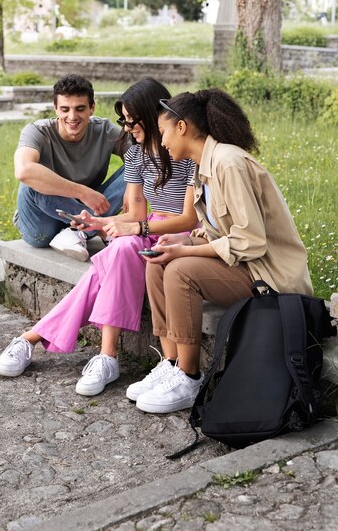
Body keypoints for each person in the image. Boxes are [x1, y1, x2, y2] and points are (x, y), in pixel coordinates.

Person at [0, 78, 199, 396]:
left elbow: (189, 218)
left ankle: (37, 339)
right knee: (121, 249)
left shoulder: (187, 153)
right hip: (143, 228)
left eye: (133, 120)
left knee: (110, 261)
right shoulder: (137, 154)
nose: (128, 128)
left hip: (177, 232)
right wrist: (99, 222)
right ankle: (106, 357)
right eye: (124, 121)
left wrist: (128, 226)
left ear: (154, 115)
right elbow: (135, 214)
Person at [128, 87, 313, 415]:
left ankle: (189, 376)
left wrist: (185, 253)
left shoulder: (228, 163)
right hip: (245, 267)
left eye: (165, 131)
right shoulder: (204, 167)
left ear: (182, 127)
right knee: (157, 262)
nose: (163, 140)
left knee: (180, 271)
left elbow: (251, 241)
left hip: (270, 277)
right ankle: (171, 363)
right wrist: (184, 242)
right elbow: (219, 230)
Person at [14, 73, 126, 261]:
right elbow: (23, 170)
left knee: (139, 164)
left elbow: (146, 159)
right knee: (32, 180)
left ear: (92, 108)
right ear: (55, 109)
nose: (72, 117)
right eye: (65, 109)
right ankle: (100, 227)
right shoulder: (37, 131)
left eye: (80, 109)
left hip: (83, 214)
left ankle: (79, 232)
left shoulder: (104, 131)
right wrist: (83, 192)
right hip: (41, 227)